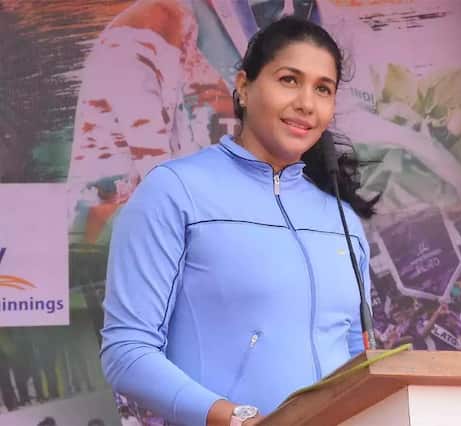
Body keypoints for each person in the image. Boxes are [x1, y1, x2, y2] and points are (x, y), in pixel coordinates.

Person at [101, 16, 377, 426]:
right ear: (244, 87)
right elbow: (127, 351)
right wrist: (237, 419)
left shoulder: (342, 218)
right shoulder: (175, 191)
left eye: (323, 89)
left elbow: (359, 357)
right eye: (289, 80)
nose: (306, 103)